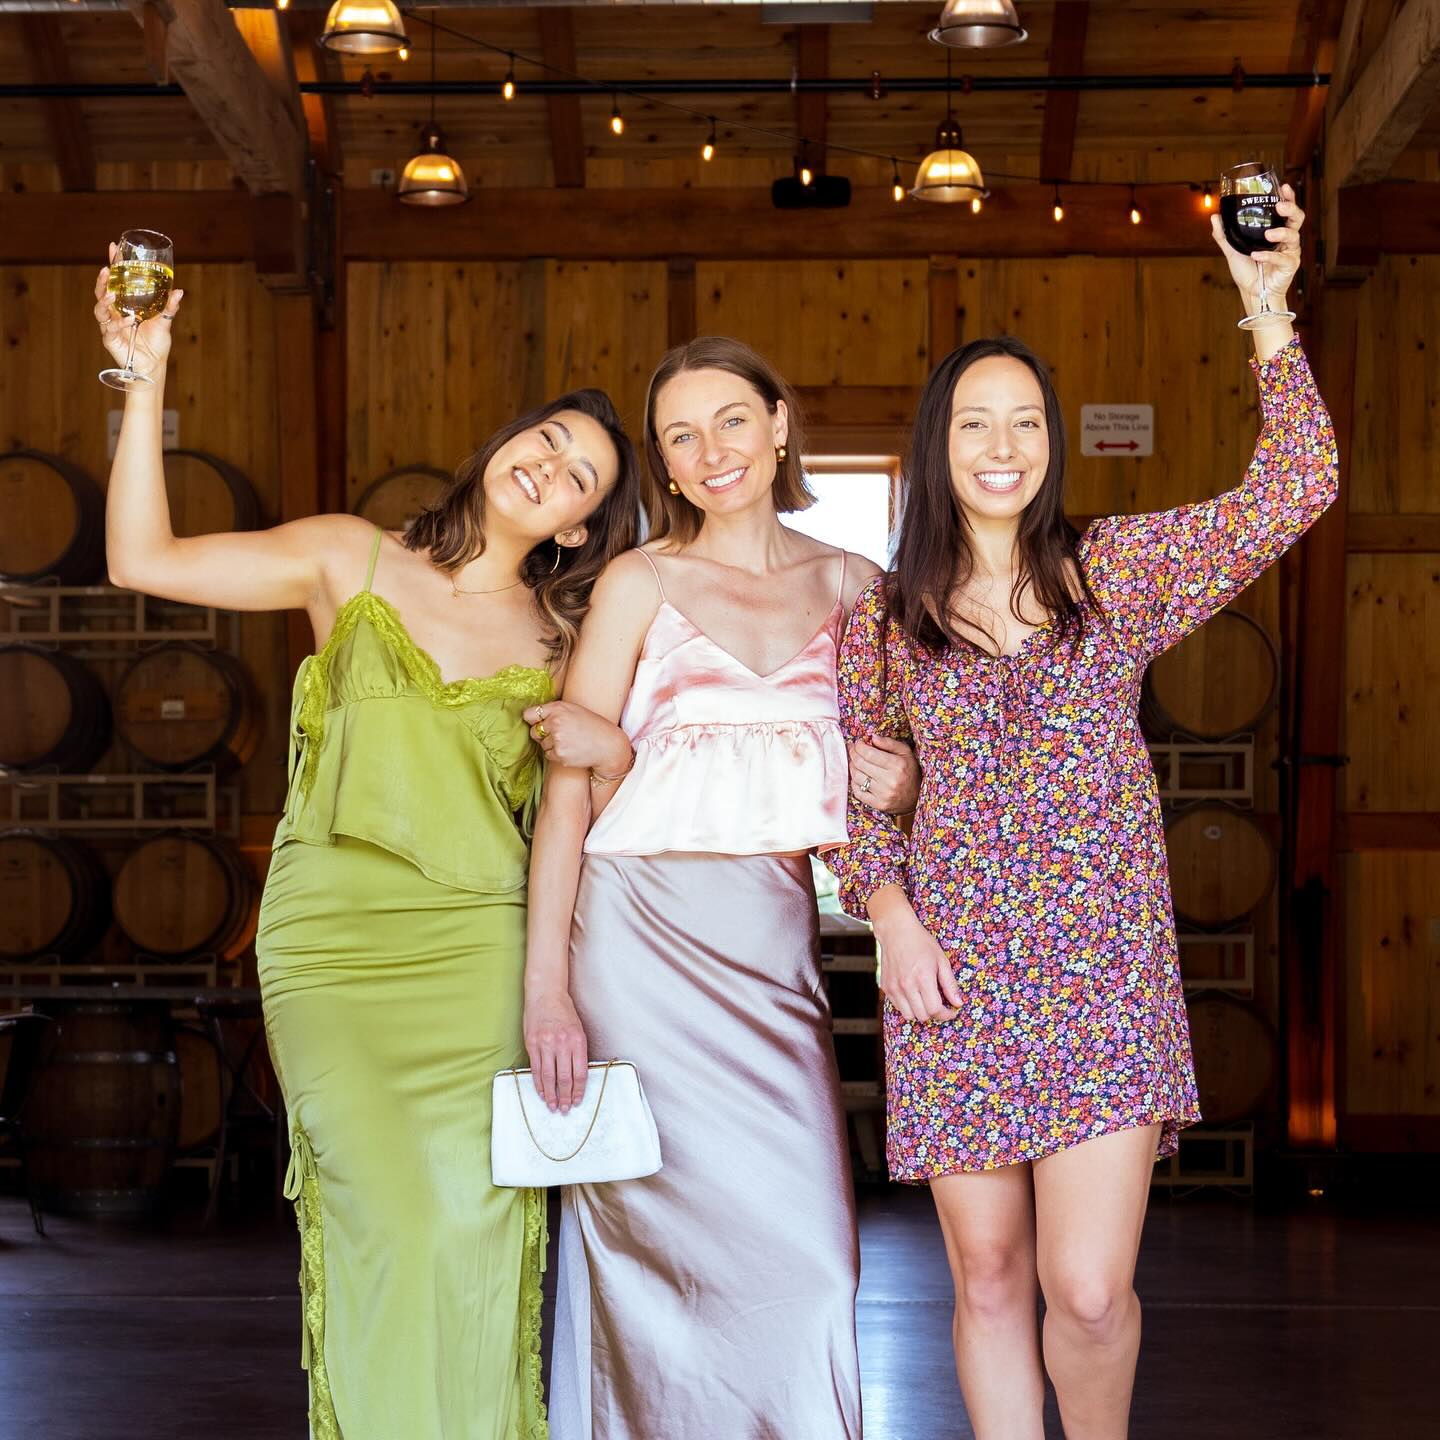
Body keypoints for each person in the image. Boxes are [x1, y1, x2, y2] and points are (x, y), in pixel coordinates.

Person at [94, 251, 642, 1440]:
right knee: (381, 1217)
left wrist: (617, 749)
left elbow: (610, 801)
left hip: (479, 957)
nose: (546, 469)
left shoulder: (565, 633)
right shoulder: (351, 558)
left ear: (581, 524)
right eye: (544, 442)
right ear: (507, 444)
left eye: (576, 478)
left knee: (477, 1224)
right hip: (334, 951)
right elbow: (143, 561)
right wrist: (142, 384)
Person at [827, 188, 1336, 1439]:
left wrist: (1265, 303)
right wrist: (888, 917)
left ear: (1053, 439)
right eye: (974, 423)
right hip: (952, 973)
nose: (1002, 445)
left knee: (1090, 1290)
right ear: (935, 445)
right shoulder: (875, 628)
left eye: (1026, 421)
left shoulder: (1110, 573)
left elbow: (1298, 485)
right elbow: (855, 806)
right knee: (989, 1277)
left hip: (1105, 967)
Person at [521, 337, 918, 1439]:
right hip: (634, 942)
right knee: (651, 1260)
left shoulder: (858, 587)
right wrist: (546, 986)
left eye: (732, 420)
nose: (712, 450)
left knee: (811, 1264)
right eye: (681, 436)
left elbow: (919, 764)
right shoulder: (639, 580)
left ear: (782, 424)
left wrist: (913, 777)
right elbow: (568, 791)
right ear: (666, 465)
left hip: (771, 945)